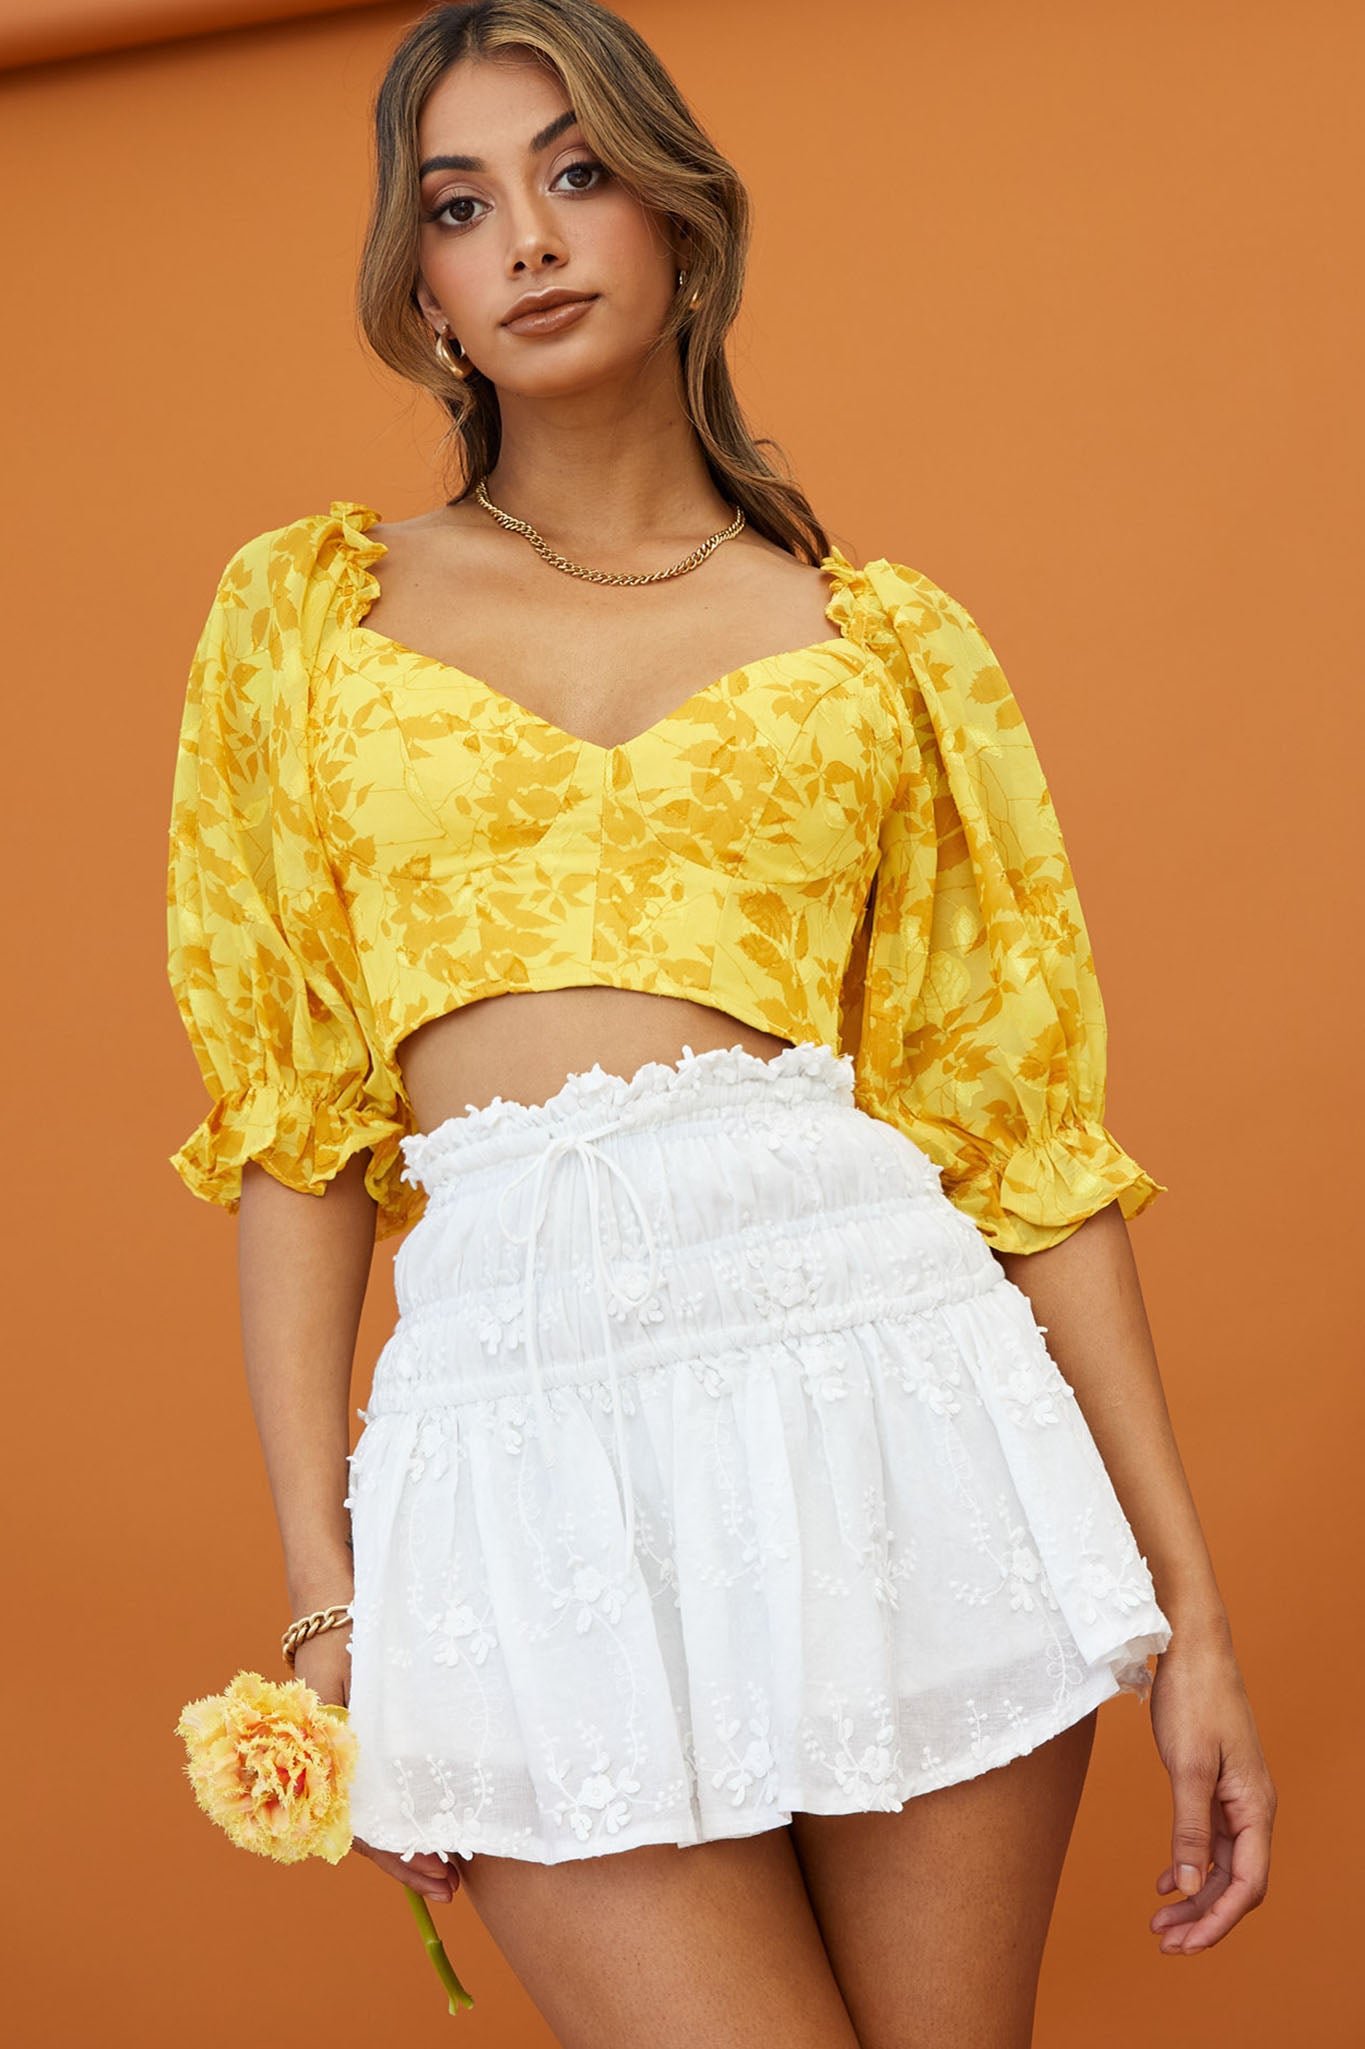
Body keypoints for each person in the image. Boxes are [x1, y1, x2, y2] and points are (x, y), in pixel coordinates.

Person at [165, 2, 1275, 2041]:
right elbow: (296, 1127)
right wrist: (328, 1589)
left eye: (576, 173)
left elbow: (1019, 1142)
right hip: (517, 1442)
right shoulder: (307, 618)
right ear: (419, 289)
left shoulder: (878, 643)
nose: (525, 236)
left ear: (681, 219)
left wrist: (1188, 1612)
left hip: (890, 1406)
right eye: (458, 204)